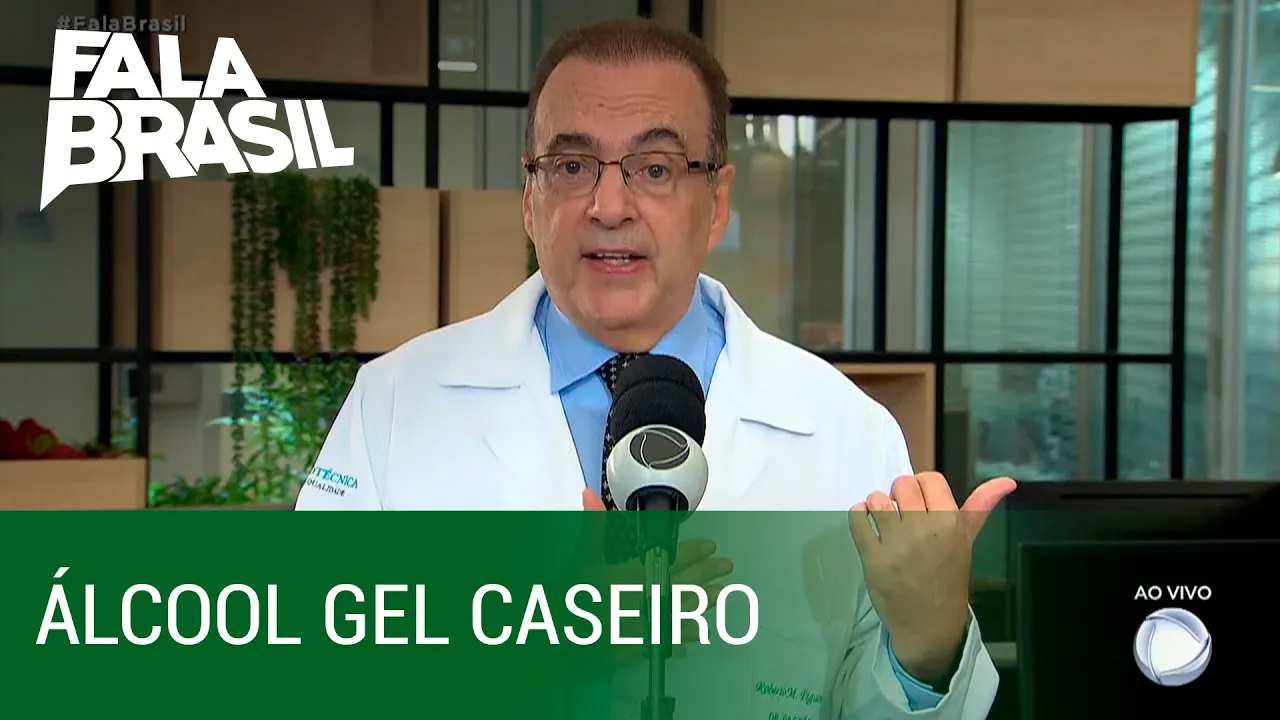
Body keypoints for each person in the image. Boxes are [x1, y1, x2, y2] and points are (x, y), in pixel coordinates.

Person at [296, 16, 1013, 719]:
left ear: (717, 203)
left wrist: (927, 652)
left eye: (656, 168)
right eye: (571, 167)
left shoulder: (846, 430)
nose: (609, 206)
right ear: (530, 199)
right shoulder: (395, 407)